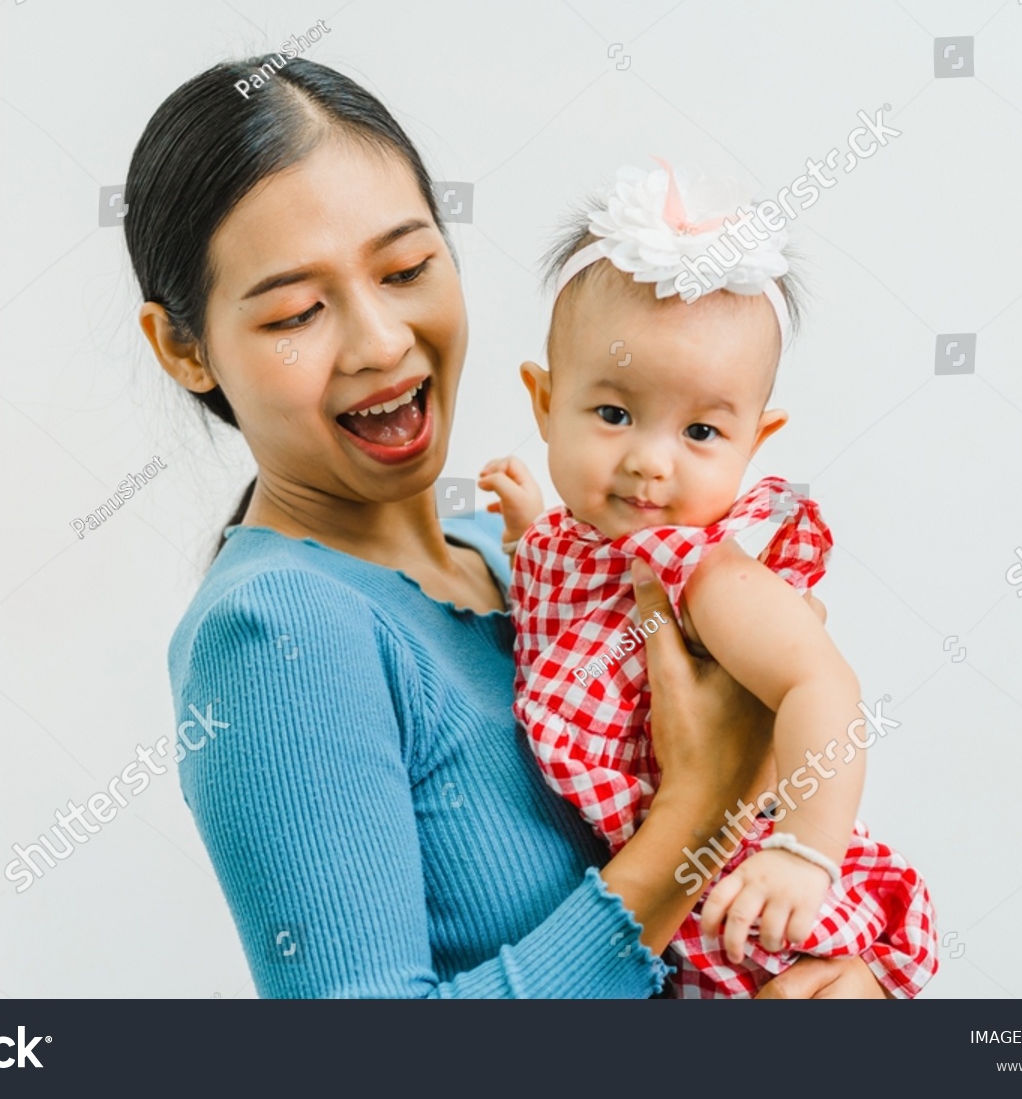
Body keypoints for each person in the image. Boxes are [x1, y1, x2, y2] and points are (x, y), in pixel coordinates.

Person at [126, 56, 890, 998]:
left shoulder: (526, 558)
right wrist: (695, 816)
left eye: (406, 268)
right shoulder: (279, 631)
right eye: (298, 310)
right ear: (183, 348)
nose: (380, 341)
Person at [479, 161, 937, 997]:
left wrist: (803, 851)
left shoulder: (701, 570)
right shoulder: (577, 543)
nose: (650, 461)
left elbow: (820, 682)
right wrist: (524, 528)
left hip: (744, 894)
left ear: (754, 443)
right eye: (613, 414)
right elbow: (568, 614)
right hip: (656, 906)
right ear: (544, 404)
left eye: (699, 430)